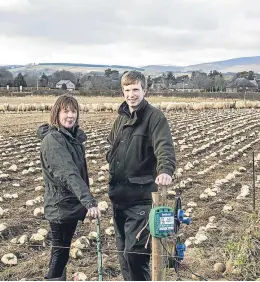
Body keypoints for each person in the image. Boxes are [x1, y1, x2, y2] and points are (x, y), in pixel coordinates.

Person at [106, 71, 176, 281]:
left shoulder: (154, 118)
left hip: (141, 197)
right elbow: (112, 145)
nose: (131, 94)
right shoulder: (121, 118)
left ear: (144, 90)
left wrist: (165, 170)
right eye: (127, 90)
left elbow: (164, 147)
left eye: (135, 89)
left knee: (135, 255)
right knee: (124, 257)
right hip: (119, 198)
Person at [37, 94, 101, 280]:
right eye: (66, 111)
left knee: (62, 251)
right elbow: (68, 173)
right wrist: (89, 202)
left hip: (69, 205)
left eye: (74, 111)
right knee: (60, 252)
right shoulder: (53, 140)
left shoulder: (71, 138)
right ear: (56, 113)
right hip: (60, 206)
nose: (70, 115)